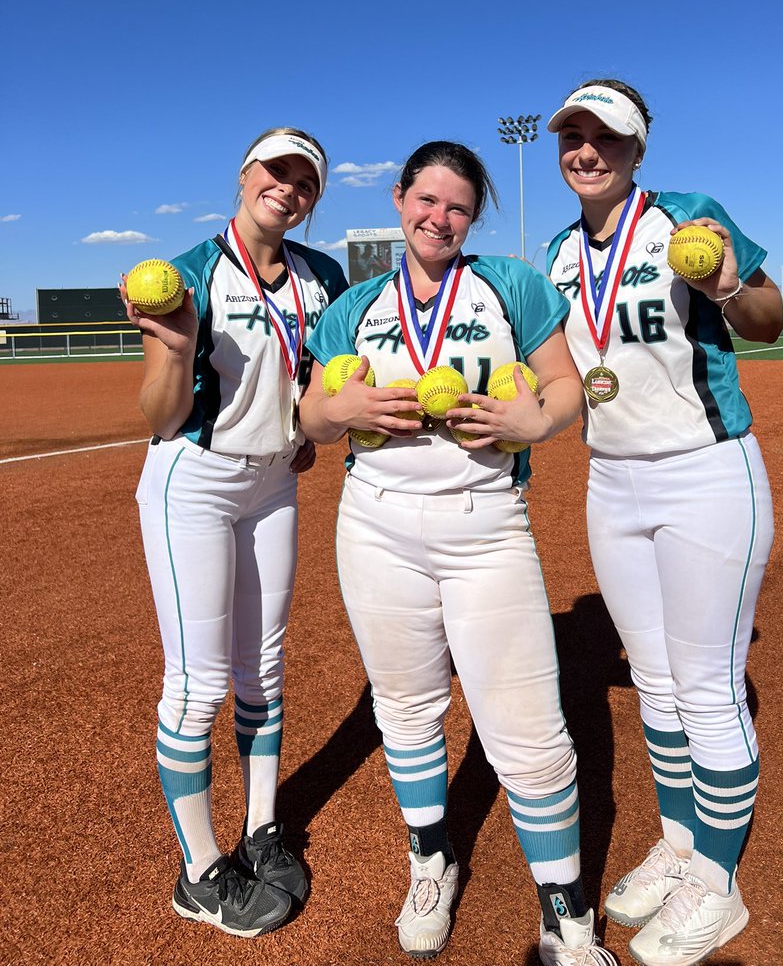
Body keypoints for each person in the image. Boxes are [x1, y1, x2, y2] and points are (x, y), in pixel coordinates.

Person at [299, 141, 618, 966]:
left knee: (528, 729)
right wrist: (345, 408)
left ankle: (565, 910)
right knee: (405, 709)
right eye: (426, 200)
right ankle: (430, 858)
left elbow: (564, 389)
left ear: (473, 217)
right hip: (374, 522)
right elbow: (309, 419)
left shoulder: (510, 286)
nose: (439, 218)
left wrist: (532, 424)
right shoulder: (354, 307)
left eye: (459, 207)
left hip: (484, 521)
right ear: (401, 198)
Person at [545, 81, 783, 966]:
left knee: (709, 688)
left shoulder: (688, 217)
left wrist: (728, 284)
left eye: (605, 136)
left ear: (638, 149)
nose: (586, 150)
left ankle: (717, 888)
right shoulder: (558, 254)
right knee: (655, 681)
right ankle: (683, 848)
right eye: (573, 134)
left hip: (706, 474)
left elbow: (767, 321)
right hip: (614, 483)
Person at [122, 126, 347, 938]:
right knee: (196, 682)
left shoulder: (321, 275)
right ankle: (199, 870)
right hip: (198, 481)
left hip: (275, 482)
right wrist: (175, 353)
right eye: (276, 172)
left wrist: (301, 428)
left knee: (264, 666)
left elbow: (320, 377)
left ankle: (259, 829)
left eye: (304, 182)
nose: (287, 189)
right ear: (245, 175)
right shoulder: (187, 272)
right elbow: (160, 417)